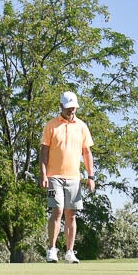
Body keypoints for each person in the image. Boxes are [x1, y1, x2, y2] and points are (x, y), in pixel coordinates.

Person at [40, 91, 95, 263]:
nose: (72, 111)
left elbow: (86, 152)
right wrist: (43, 174)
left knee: (71, 214)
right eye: (69, 108)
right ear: (61, 107)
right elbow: (44, 152)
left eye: (74, 108)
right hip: (53, 176)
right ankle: (52, 250)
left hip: (74, 178)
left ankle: (70, 252)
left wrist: (91, 176)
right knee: (57, 211)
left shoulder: (82, 126)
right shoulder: (51, 125)